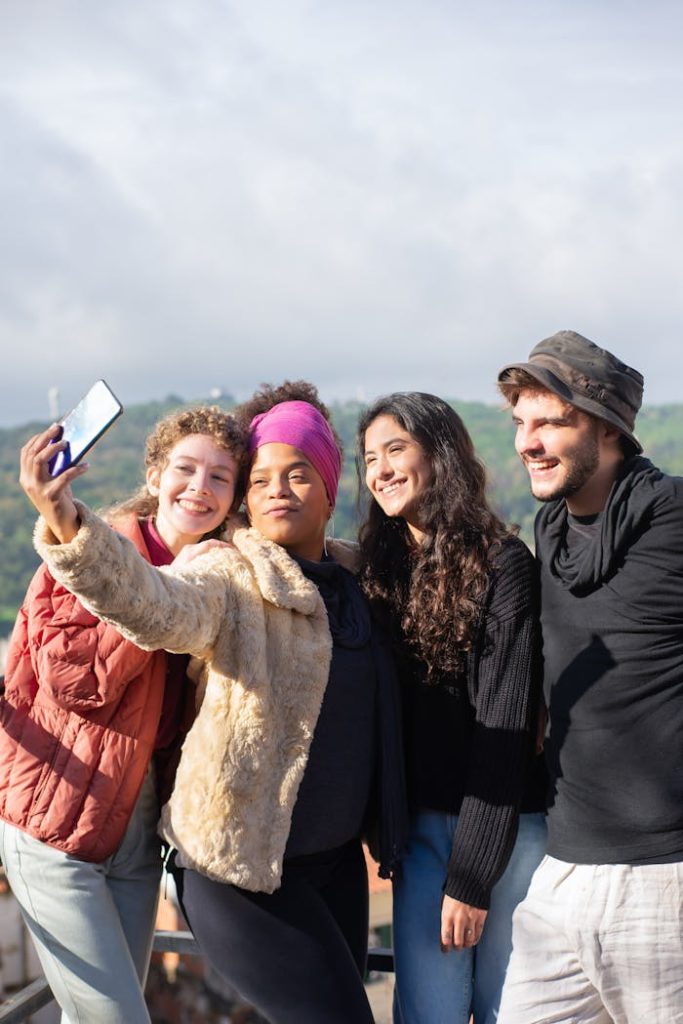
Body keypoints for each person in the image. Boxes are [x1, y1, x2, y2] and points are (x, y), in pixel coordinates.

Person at [20, 381, 407, 1024]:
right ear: (245, 502)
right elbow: (151, 602)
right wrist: (68, 524)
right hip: (238, 872)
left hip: (333, 864)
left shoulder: (360, 580)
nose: (278, 489)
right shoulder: (229, 573)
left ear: (331, 489)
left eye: (299, 474)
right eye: (260, 479)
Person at [0, 405, 244, 1024]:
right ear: (155, 473)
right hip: (54, 818)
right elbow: (75, 681)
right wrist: (154, 598)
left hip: (134, 835)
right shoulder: (83, 550)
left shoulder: (218, 575)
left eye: (220, 477)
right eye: (185, 469)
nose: (200, 487)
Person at [496, 329, 683, 1023]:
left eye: (550, 421)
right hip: (563, 867)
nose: (526, 441)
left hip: (664, 877)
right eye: (520, 422)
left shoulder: (674, 515)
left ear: (604, 427)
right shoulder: (546, 531)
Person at [357, 392, 547, 1024]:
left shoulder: (504, 564)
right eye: (368, 458)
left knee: (508, 1011)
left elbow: (507, 729)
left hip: (506, 828)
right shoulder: (381, 572)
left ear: (439, 457)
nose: (379, 469)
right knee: (430, 1013)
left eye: (395, 450)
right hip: (419, 835)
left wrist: (470, 876)